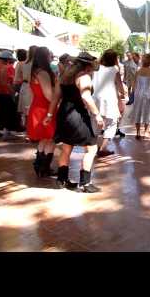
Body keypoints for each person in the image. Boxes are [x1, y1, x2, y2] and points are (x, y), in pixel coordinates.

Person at [44, 52, 103, 193]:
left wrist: (49, 115)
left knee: (66, 148)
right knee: (91, 148)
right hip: (78, 115)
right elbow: (86, 97)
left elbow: (55, 98)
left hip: (64, 114)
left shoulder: (63, 77)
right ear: (88, 66)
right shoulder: (84, 77)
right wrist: (97, 115)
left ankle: (62, 179)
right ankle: (85, 183)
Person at [27, 47, 57, 178]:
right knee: (51, 139)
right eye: (50, 54)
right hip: (45, 108)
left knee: (44, 139)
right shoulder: (43, 73)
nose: (51, 56)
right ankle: (44, 167)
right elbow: (49, 95)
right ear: (45, 57)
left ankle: (39, 166)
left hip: (38, 107)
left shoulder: (34, 71)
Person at [93, 49, 126, 157]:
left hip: (96, 98)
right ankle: (102, 148)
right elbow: (119, 85)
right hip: (109, 99)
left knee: (97, 123)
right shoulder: (114, 69)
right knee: (111, 123)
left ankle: (95, 146)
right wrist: (123, 93)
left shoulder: (96, 68)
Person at [130, 53, 150, 139]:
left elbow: (134, 84)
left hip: (138, 94)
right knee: (148, 112)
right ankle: (146, 131)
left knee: (138, 112)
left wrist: (133, 93)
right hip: (148, 94)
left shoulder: (138, 71)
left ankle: (137, 132)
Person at [0, 51, 19, 138]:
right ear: (7, 59)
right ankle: (7, 132)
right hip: (4, 93)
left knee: (2, 113)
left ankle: (4, 131)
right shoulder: (3, 67)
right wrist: (12, 92)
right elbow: (4, 83)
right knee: (9, 113)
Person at [17, 46, 38, 129]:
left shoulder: (24, 63)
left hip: (25, 86)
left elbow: (19, 77)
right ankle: (31, 129)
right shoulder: (35, 64)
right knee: (30, 109)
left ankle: (28, 130)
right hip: (31, 87)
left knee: (26, 111)